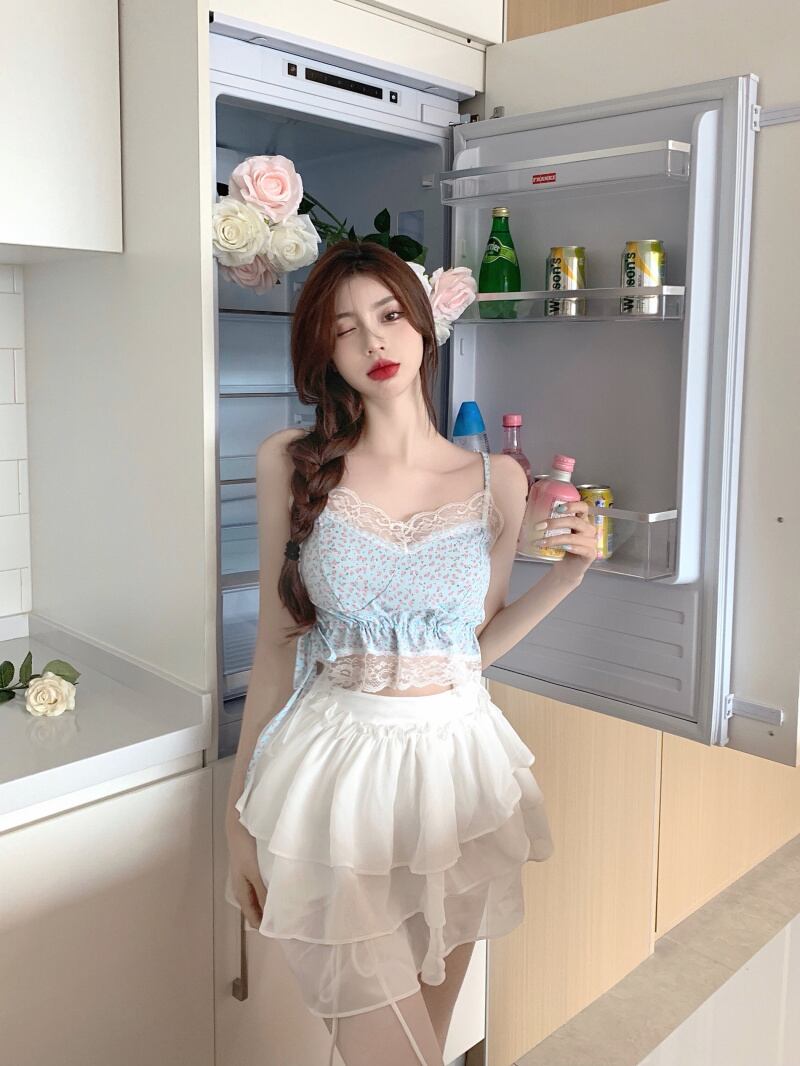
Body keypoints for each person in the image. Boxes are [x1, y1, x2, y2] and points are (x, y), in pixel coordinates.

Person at [224, 240, 597, 1066]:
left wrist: (568, 579)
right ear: (325, 353)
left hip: (457, 776)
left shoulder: (499, 480)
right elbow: (276, 647)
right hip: (334, 780)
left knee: (424, 1044)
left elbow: (470, 649)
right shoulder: (291, 463)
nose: (373, 341)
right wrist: (236, 817)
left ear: (424, 324)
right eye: (344, 328)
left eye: (389, 315)